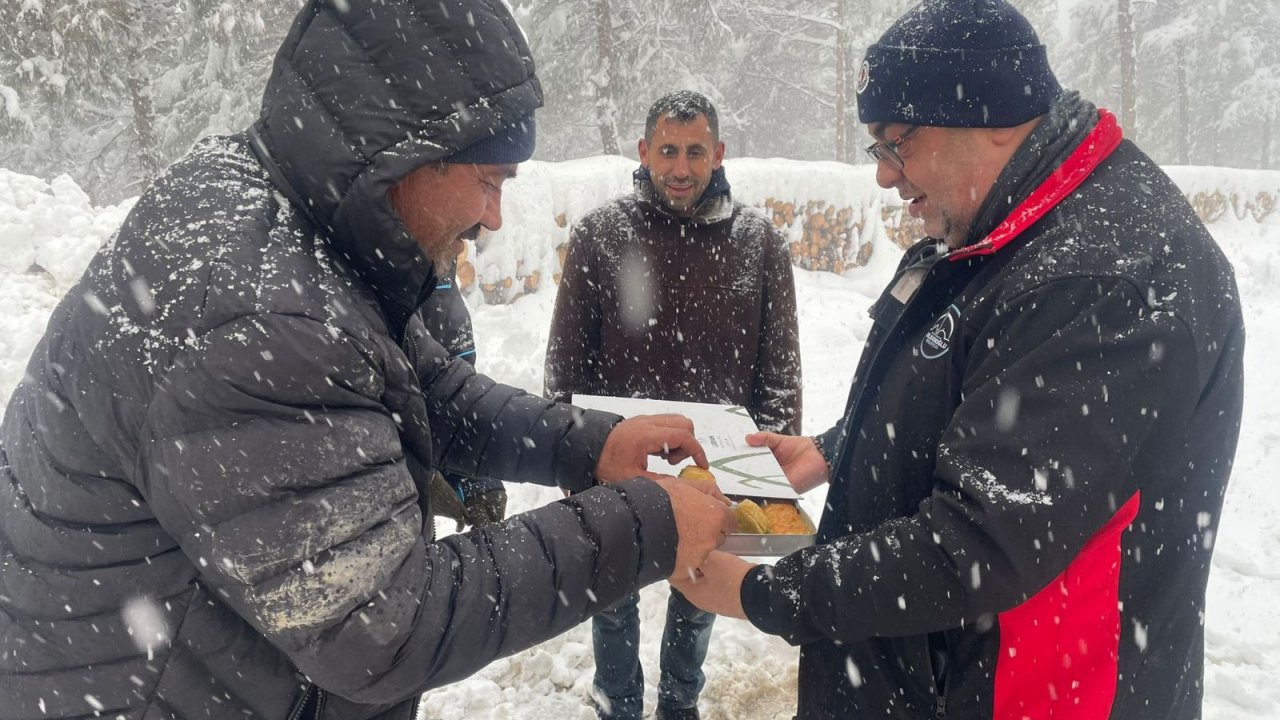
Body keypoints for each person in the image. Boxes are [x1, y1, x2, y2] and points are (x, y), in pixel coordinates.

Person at [0, 2, 737, 719]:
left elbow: (417, 386)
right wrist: (646, 526)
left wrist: (590, 443)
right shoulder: (266, 317)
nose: (494, 218)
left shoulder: (290, 214)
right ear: (404, 155)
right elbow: (386, 623)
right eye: (489, 181)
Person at [673, 1, 1245, 719]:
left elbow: (978, 543)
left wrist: (758, 591)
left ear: (993, 118)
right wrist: (833, 450)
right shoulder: (1014, 222)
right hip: (934, 674)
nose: (885, 175)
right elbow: (972, 394)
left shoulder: (1099, 284)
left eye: (895, 143)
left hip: (1023, 694)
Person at [546, 90, 802, 720]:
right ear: (644, 151)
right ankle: (619, 702)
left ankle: (680, 703)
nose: (681, 168)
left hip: (712, 459)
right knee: (612, 590)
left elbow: (779, 369)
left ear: (718, 153)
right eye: (667, 151)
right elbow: (565, 365)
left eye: (694, 152)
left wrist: (767, 473)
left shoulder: (758, 243)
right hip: (620, 450)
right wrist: (574, 454)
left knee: (699, 590)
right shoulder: (601, 236)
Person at [419, 264, 508, 531]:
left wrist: (470, 472)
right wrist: (414, 472)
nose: (491, 222)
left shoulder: (437, 270)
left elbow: (452, 390)